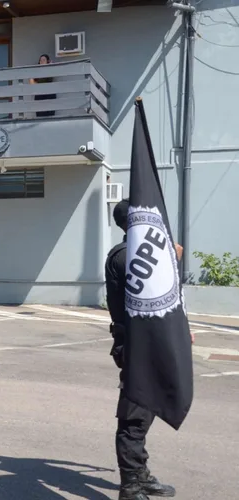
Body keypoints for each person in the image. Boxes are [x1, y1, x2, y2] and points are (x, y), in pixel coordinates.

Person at [104, 200, 179, 500]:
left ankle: (140, 473)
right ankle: (131, 483)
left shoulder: (137, 254)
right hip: (136, 347)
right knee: (134, 415)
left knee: (146, 412)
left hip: (150, 344)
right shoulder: (126, 257)